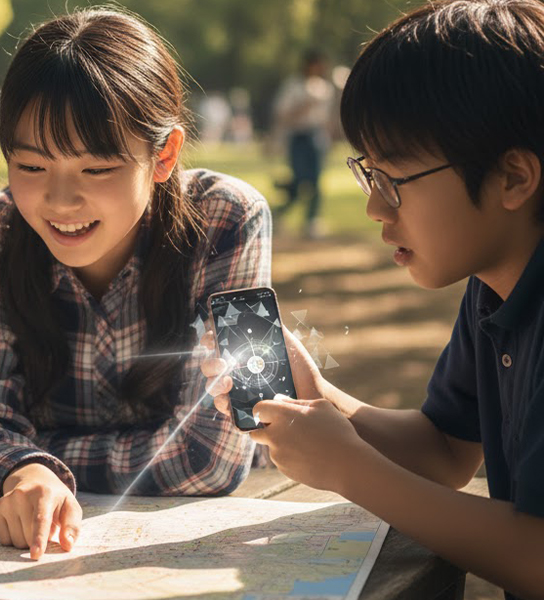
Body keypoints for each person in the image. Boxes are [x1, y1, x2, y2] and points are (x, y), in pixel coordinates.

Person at [203, 2, 544, 598]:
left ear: (513, 177)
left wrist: (349, 469)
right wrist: (313, 396)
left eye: (394, 182)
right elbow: (443, 451)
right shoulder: (492, 290)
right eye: (368, 174)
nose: (375, 208)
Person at [0, 9, 271, 561]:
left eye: (96, 170)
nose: (61, 202)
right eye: (33, 167)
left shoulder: (230, 220)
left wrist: (27, 457)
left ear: (163, 155)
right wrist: (21, 470)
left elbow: (213, 457)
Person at [271, 50, 335, 239]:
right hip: (298, 136)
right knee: (299, 180)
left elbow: (326, 117)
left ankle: (311, 220)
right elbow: (282, 114)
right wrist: (304, 106)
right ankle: (278, 213)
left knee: (315, 180)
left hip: (317, 135)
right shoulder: (294, 86)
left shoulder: (324, 87)